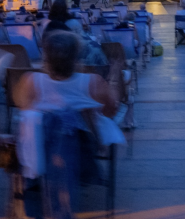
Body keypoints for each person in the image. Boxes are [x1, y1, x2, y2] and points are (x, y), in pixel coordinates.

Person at [15, 30, 123, 178]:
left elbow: (23, 108)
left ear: (45, 56)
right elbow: (111, 111)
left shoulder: (30, 81)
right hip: (84, 151)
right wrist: (114, 77)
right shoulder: (93, 82)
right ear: (76, 56)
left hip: (42, 147)